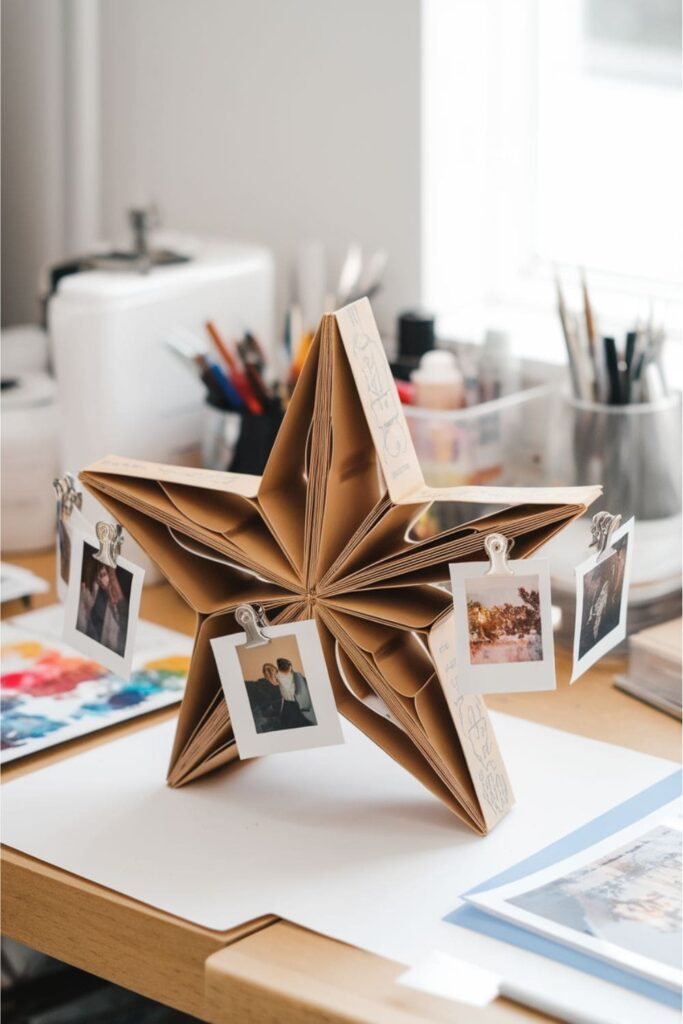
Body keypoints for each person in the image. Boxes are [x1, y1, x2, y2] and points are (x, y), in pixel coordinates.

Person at [77, 555, 129, 656]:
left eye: (103, 575)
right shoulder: (94, 589)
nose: (100, 580)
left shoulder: (116, 597)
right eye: (97, 576)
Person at [276, 657, 317, 727]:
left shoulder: (283, 675)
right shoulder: (281, 676)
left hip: (290, 701)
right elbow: (290, 691)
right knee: (294, 720)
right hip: (291, 702)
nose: (291, 668)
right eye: (290, 666)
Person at [246, 662, 283, 732]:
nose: (276, 675)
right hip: (265, 710)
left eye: (274, 672)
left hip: (269, 710)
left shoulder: (280, 684)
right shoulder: (262, 684)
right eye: (268, 672)